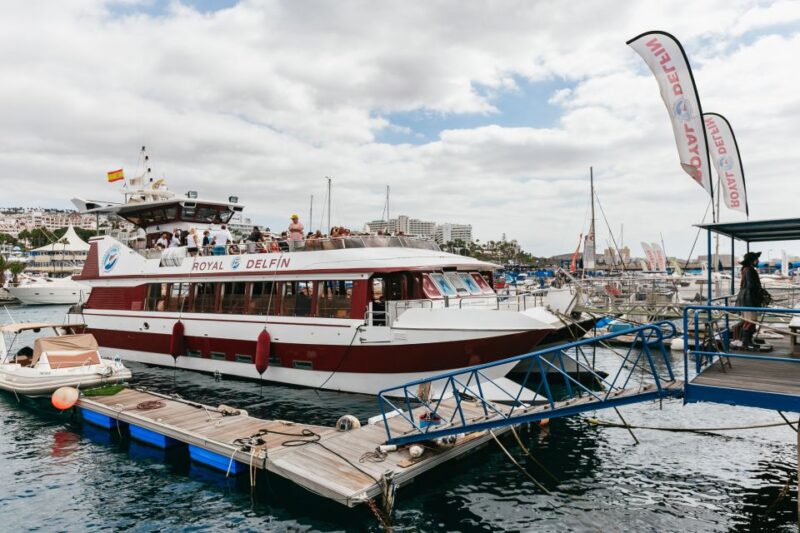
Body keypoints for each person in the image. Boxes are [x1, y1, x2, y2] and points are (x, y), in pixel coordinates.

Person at [736, 251, 765, 350]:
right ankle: (746, 342)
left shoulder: (745, 269)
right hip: (749, 299)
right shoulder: (750, 270)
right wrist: (760, 291)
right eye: (756, 259)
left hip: (745, 298)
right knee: (751, 321)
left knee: (749, 320)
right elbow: (751, 285)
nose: (758, 261)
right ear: (752, 260)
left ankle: (748, 341)